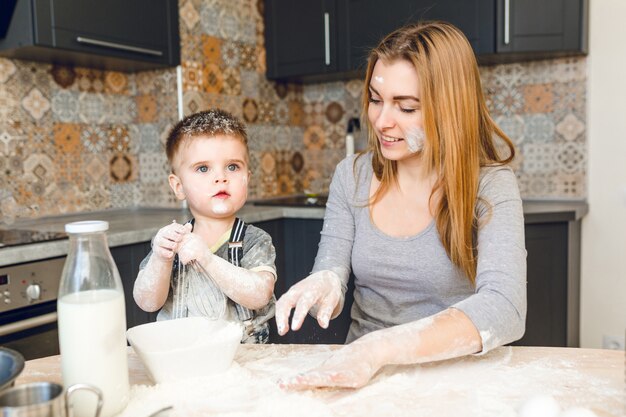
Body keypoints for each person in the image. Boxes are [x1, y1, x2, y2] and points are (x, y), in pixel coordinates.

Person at [275, 21, 527, 388]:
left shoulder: (489, 185)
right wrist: (324, 282)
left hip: (456, 381)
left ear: (450, 109)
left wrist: (379, 348)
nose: (381, 120)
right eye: (376, 101)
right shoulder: (352, 175)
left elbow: (505, 308)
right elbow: (332, 267)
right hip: (362, 377)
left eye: (406, 107)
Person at [133, 109, 277, 344]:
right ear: (178, 186)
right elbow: (147, 302)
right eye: (203, 168)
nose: (221, 177)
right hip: (182, 359)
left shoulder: (254, 240)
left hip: (244, 362)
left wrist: (207, 259)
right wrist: (161, 259)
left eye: (232, 167)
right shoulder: (171, 242)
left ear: (247, 179)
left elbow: (260, 294)